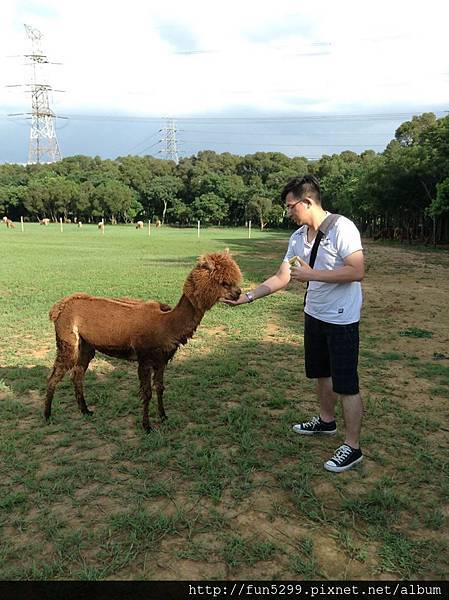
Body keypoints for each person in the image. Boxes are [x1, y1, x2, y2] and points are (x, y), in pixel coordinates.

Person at [225, 175, 365, 473]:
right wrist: (248, 297)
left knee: (347, 384)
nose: (288, 212)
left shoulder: (342, 228)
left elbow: (356, 270)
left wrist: (314, 275)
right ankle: (326, 422)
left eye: (291, 207)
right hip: (314, 315)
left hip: (341, 319)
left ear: (307, 202)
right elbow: (282, 277)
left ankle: (352, 447)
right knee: (320, 373)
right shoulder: (298, 237)